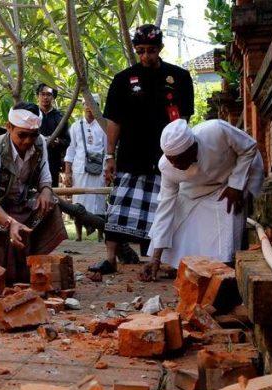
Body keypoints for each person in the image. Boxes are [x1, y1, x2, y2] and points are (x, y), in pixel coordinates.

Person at [89, 24, 194, 275]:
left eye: (151, 50)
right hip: (131, 155)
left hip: (166, 156)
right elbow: (113, 120)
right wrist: (110, 155)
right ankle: (110, 259)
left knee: (164, 208)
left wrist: (179, 152)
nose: (146, 56)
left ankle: (159, 261)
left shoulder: (179, 77)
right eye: (141, 50)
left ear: (160, 48)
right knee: (118, 207)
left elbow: (185, 119)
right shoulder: (123, 79)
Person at [143, 119, 265, 280]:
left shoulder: (216, 130)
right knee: (180, 212)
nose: (175, 164)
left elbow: (249, 147)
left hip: (236, 176)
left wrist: (236, 185)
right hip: (200, 187)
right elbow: (165, 207)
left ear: (193, 147)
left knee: (229, 209)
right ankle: (187, 263)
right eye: (170, 159)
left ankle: (224, 264)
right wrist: (155, 257)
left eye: (179, 158)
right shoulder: (167, 167)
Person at [0, 101, 68, 284]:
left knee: (51, 206)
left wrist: (46, 191)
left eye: (33, 135)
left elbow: (45, 180)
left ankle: (32, 265)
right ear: (9, 127)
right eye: (22, 135)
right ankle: (0, 274)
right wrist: (10, 222)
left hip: (21, 203)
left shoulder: (39, 144)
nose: (28, 141)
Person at [64, 97, 107, 241]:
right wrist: (68, 172)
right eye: (87, 104)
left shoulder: (103, 126)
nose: (89, 107)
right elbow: (70, 151)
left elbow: (108, 151)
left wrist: (108, 171)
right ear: (83, 106)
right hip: (80, 169)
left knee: (98, 201)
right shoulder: (76, 126)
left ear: (98, 107)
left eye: (93, 105)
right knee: (79, 201)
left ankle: (100, 235)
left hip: (99, 169)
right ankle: (78, 235)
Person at [37, 83, 71, 187]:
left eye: (48, 94)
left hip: (53, 161)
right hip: (35, 159)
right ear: (38, 96)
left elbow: (67, 140)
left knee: (51, 191)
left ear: (53, 97)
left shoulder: (60, 117)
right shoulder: (33, 114)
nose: (45, 97)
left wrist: (58, 142)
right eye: (42, 94)